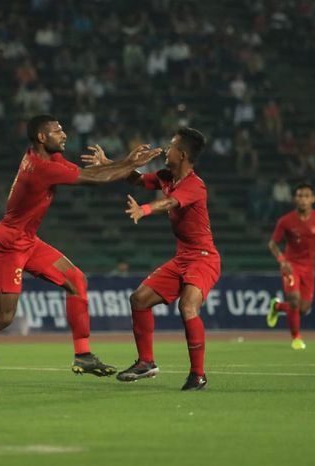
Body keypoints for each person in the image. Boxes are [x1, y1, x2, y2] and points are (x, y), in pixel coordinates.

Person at [0, 114, 161, 390]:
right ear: (42, 137)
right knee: (3, 317)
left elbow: (92, 173)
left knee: (76, 280)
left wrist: (118, 164)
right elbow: (94, 179)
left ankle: (83, 354)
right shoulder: (40, 167)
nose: (64, 134)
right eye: (57, 131)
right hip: (8, 246)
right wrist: (130, 163)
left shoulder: (49, 159)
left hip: (28, 241)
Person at [90, 128, 220, 391]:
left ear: (182, 155)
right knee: (139, 299)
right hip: (182, 257)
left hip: (203, 258)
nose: (166, 149)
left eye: (171, 146)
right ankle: (146, 362)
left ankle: (198, 375)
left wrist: (145, 209)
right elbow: (136, 179)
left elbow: (170, 203)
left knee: (188, 307)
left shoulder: (195, 185)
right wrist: (109, 164)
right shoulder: (166, 176)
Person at [266, 183, 315, 350]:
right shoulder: (286, 220)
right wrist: (282, 261)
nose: (303, 199)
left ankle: (277, 306)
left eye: (306, 196)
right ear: (295, 199)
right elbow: (272, 244)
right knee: (295, 301)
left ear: (313, 199)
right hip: (291, 266)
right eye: (299, 196)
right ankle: (296, 338)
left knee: (303, 309)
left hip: (309, 268)